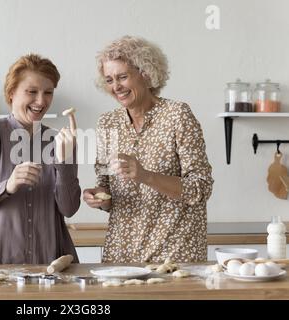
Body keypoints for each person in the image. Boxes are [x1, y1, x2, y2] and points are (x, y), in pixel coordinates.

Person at [83, 36, 214, 263]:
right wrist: (99, 198)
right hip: (121, 253)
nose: (116, 87)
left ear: (146, 73)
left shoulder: (177, 115)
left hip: (175, 252)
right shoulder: (107, 123)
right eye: (109, 80)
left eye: (123, 77)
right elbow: (106, 187)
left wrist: (144, 175)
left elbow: (200, 188)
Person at [0, 54, 80, 264]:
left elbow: (69, 208)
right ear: (11, 92)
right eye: (32, 92)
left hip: (48, 265)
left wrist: (65, 160)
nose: (41, 101)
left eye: (48, 93)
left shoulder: (59, 141)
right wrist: (7, 186)